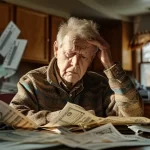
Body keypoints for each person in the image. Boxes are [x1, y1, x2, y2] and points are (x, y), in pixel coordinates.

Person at [10, 17, 143, 126]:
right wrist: (58, 118)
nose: (74, 63)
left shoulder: (101, 85)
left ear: (91, 59)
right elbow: (14, 116)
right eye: (70, 54)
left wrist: (110, 65)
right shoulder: (32, 81)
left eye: (84, 57)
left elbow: (133, 115)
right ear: (56, 49)